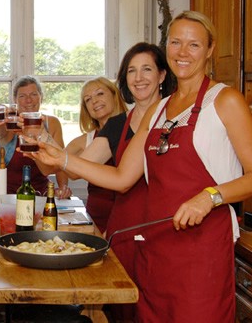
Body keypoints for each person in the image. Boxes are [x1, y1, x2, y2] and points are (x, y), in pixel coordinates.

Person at [29, 11, 252, 322]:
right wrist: (60, 158)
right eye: (175, 42)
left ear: (209, 50)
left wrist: (209, 196)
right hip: (156, 249)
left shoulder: (224, 100)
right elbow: (121, 178)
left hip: (202, 253)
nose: (182, 53)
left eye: (193, 45)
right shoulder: (158, 109)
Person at [77, 43, 175, 322]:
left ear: (162, 75)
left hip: (160, 229)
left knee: (154, 308)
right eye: (131, 70)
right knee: (120, 310)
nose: (138, 77)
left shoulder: (173, 118)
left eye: (147, 69)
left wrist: (61, 159)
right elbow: (84, 166)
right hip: (123, 230)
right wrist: (52, 149)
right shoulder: (119, 122)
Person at [63, 77, 126, 233]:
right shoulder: (86, 139)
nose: (94, 101)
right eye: (88, 99)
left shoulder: (133, 126)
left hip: (124, 218)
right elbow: (61, 165)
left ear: (114, 95)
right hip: (95, 217)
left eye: (100, 94)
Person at [0, 75, 70, 197]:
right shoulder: (8, 123)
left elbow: (60, 160)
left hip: (40, 194)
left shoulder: (51, 123)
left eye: (34, 94)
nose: (28, 100)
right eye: (22, 96)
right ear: (15, 100)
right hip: (6, 195)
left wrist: (63, 187)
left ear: (41, 97)